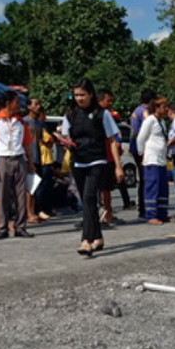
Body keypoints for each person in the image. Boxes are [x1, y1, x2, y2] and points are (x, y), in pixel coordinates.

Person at [61, 79, 124, 255]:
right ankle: (98, 237)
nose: (79, 98)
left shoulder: (102, 114)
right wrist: (66, 143)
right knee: (86, 201)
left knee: (89, 197)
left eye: (82, 95)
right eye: (76, 95)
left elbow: (112, 140)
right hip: (78, 161)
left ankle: (86, 240)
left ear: (90, 94)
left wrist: (118, 166)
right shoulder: (70, 115)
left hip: (97, 161)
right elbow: (66, 136)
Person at [0, 90, 35, 240]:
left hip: (19, 159)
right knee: (3, 195)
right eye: (16, 102)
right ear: (8, 103)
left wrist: (30, 162)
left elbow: (26, 144)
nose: (19, 105)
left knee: (21, 195)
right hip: (2, 160)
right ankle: (3, 227)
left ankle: (20, 227)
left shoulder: (21, 122)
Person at [137, 98, 171, 225]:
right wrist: (141, 153)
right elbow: (141, 138)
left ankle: (162, 214)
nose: (166, 109)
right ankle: (151, 215)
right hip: (151, 159)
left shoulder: (161, 121)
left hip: (161, 159)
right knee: (152, 187)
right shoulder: (150, 121)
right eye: (164, 106)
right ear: (156, 108)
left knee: (163, 188)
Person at [97, 89, 128, 225]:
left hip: (110, 156)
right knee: (101, 189)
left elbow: (115, 139)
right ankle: (102, 214)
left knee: (107, 189)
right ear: (100, 101)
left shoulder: (109, 116)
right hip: (100, 156)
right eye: (108, 100)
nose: (110, 103)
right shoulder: (97, 116)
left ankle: (108, 214)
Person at [129, 89, 157, 219]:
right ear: (151, 101)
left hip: (136, 147)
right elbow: (149, 129)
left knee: (144, 178)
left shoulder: (137, 110)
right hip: (142, 149)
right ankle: (144, 208)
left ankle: (144, 207)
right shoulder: (145, 113)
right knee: (146, 178)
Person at [25, 97, 45, 223]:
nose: (38, 106)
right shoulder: (25, 122)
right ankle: (29, 213)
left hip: (38, 158)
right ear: (29, 107)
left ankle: (33, 211)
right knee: (29, 188)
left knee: (34, 186)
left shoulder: (39, 123)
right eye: (35, 104)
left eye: (39, 104)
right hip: (28, 158)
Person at [36, 109, 56, 220]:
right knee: (42, 186)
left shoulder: (43, 127)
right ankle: (41, 209)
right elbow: (49, 140)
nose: (46, 117)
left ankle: (47, 208)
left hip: (48, 160)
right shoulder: (39, 127)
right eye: (44, 114)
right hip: (43, 160)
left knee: (48, 186)